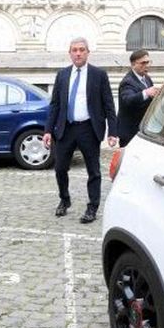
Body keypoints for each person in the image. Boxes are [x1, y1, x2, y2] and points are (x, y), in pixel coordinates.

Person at [44, 37, 118, 223]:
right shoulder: (62, 75)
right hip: (66, 128)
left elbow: (109, 104)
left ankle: (92, 207)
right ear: (70, 53)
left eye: (82, 50)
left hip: (88, 128)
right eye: (75, 50)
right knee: (60, 168)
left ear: (88, 52)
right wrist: (47, 130)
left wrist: (112, 132)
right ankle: (64, 200)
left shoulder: (99, 75)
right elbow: (54, 105)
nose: (78, 53)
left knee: (94, 171)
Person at [117, 48, 160, 146]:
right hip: (130, 132)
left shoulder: (147, 78)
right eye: (143, 63)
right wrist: (146, 93)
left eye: (148, 62)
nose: (147, 65)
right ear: (133, 64)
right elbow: (128, 100)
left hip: (143, 130)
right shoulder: (127, 82)